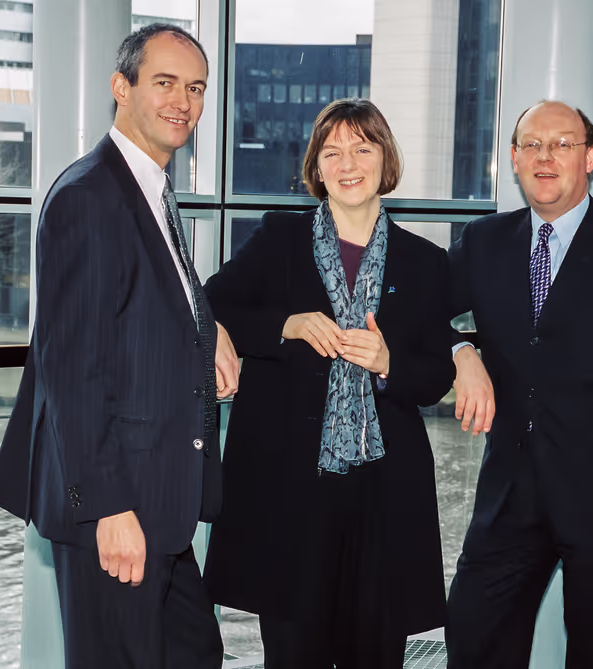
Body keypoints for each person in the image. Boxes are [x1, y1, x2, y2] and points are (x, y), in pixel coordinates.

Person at [0, 24, 239, 669]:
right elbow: (73, 369)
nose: (183, 101)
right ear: (121, 88)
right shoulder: (89, 196)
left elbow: (151, 299)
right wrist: (109, 508)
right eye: (165, 83)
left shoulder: (149, 189)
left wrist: (209, 329)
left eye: (196, 88)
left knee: (196, 655)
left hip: (161, 505)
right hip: (117, 506)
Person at [201, 98, 455, 669]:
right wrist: (285, 325)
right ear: (316, 167)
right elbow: (212, 305)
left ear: (385, 159)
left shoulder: (425, 261)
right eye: (332, 152)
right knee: (294, 654)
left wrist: (388, 361)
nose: (348, 164)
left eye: (362, 149)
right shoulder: (278, 239)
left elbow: (437, 374)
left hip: (384, 496)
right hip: (289, 492)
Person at [444, 100, 593, 668]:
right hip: (508, 494)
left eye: (561, 144)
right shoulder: (483, 241)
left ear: (590, 157)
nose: (544, 157)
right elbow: (420, 311)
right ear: (513, 159)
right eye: (531, 144)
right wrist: (461, 351)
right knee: (472, 639)